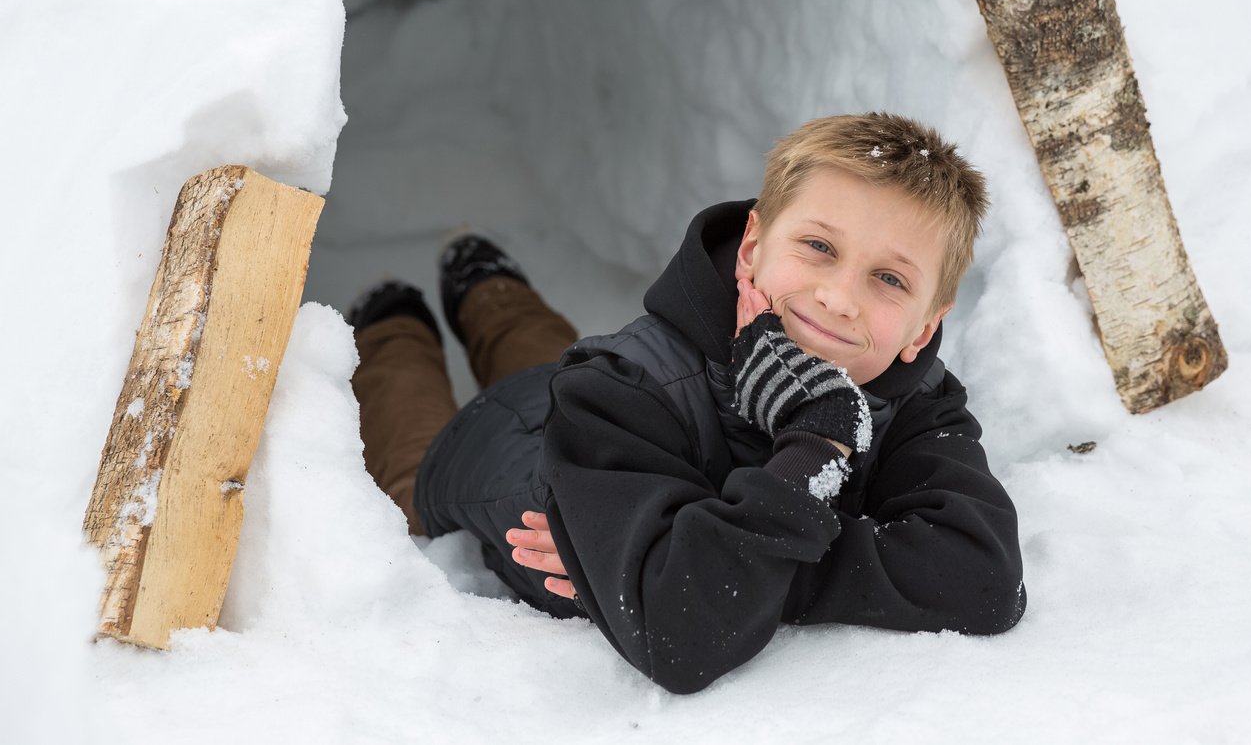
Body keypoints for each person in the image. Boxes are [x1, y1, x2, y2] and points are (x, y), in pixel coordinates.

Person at [348, 112, 1026, 694]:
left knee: (544, 355)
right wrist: (817, 444)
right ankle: (392, 324)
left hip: (583, 410)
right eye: (818, 247)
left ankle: (485, 282)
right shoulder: (619, 385)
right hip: (491, 460)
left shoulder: (916, 399)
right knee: (414, 434)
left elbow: (982, 579)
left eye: (888, 278)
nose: (838, 297)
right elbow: (684, 636)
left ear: (924, 328)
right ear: (753, 249)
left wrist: (699, 562)